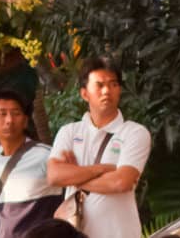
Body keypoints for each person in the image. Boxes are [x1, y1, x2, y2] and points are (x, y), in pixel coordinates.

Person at [46, 56, 151, 238]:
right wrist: (102, 169)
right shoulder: (69, 132)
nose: (107, 91)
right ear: (84, 93)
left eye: (113, 84)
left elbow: (121, 182)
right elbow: (54, 176)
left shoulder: (134, 132)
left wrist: (74, 176)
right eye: (99, 85)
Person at [0, 89, 61, 235]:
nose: (9, 120)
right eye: (2, 114)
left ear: (25, 121)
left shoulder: (46, 155)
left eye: (16, 113)